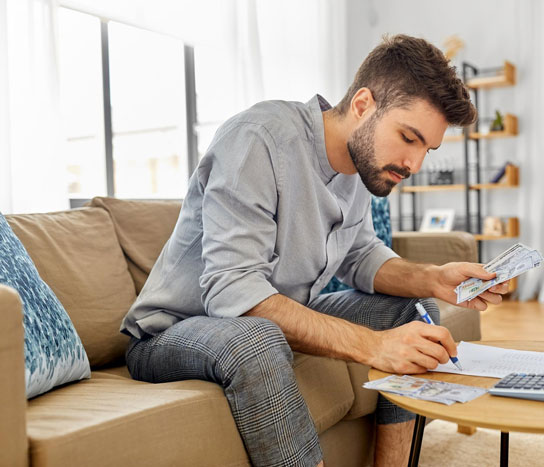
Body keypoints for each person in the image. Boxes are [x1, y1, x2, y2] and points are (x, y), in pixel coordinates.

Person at [122, 34, 508, 466]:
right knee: (255, 338)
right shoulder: (258, 139)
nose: (413, 164)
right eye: (408, 137)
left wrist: (432, 279)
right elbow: (232, 292)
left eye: (426, 149)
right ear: (363, 105)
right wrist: (373, 346)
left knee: (410, 309)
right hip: (176, 330)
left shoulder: (360, 167)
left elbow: (360, 256)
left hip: (273, 318)